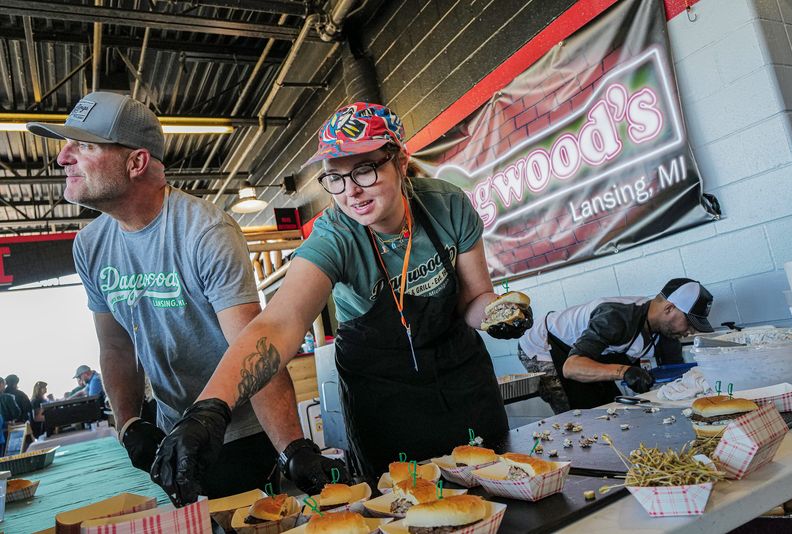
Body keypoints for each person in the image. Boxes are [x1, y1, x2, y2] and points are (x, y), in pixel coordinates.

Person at [150, 102, 533, 504]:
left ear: (400, 162)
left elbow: (474, 298)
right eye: (335, 177)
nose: (351, 191)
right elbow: (280, 322)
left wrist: (496, 313)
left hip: (464, 380)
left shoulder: (447, 205)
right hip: (384, 400)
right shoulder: (335, 235)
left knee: (499, 498)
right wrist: (211, 407)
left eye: (365, 170)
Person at [26, 92, 343, 500]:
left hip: (236, 430)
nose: (62, 157)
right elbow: (116, 345)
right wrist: (130, 424)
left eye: (83, 145)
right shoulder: (89, 245)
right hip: (171, 428)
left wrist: (293, 449)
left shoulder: (205, 232)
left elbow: (254, 343)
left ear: (136, 162)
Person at [517, 278, 714, 413]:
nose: (691, 331)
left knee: (611, 406)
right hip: (545, 347)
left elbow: (678, 380)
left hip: (586, 351)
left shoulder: (666, 331)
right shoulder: (616, 317)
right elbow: (571, 368)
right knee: (580, 413)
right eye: (689, 322)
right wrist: (624, 371)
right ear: (669, 308)